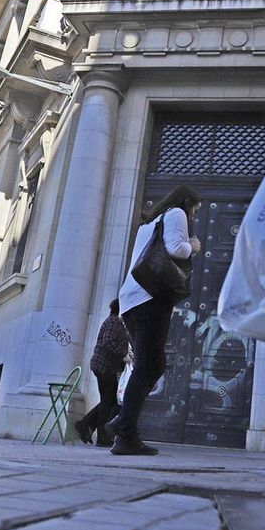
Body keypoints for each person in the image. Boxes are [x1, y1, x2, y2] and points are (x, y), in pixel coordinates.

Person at [106, 185, 202, 456]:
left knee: (153, 365)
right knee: (146, 366)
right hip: (150, 298)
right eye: (195, 209)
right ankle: (125, 435)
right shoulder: (176, 214)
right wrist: (193, 246)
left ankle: (122, 422)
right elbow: (176, 249)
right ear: (187, 202)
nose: (194, 215)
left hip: (131, 301)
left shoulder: (148, 224)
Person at [77, 299, 131, 447]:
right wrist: (123, 355)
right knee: (108, 401)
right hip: (104, 366)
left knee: (110, 400)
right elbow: (108, 341)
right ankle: (101, 437)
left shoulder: (115, 322)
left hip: (105, 366)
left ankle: (85, 424)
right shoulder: (114, 322)